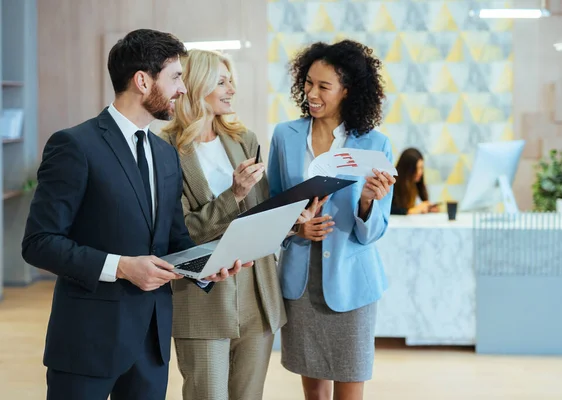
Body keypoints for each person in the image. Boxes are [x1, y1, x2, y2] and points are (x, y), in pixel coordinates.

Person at [21, 29, 249, 400]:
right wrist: (123, 266)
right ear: (142, 81)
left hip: (151, 344)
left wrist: (207, 266)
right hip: (87, 342)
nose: (182, 89)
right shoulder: (75, 145)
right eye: (175, 77)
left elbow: (175, 240)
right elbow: (39, 244)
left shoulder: (165, 154)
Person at [159, 49, 319, 400]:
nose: (231, 89)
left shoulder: (243, 139)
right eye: (222, 81)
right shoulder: (164, 148)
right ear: (197, 85)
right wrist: (234, 193)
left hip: (257, 292)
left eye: (231, 81)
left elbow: (259, 213)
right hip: (202, 300)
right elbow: (181, 232)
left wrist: (293, 220)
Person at [267, 40, 396, 400]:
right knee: (314, 393)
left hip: (352, 283)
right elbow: (273, 207)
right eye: (308, 83)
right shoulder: (285, 136)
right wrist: (298, 227)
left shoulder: (375, 144)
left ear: (347, 91)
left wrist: (368, 201)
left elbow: (374, 233)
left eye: (324, 86)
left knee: (350, 386)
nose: (312, 93)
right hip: (300, 282)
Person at [391, 147, 439, 215]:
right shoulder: (392, 184)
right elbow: (389, 209)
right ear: (407, 170)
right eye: (416, 168)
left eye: (421, 168)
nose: (420, 172)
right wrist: (411, 211)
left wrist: (428, 208)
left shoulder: (417, 184)